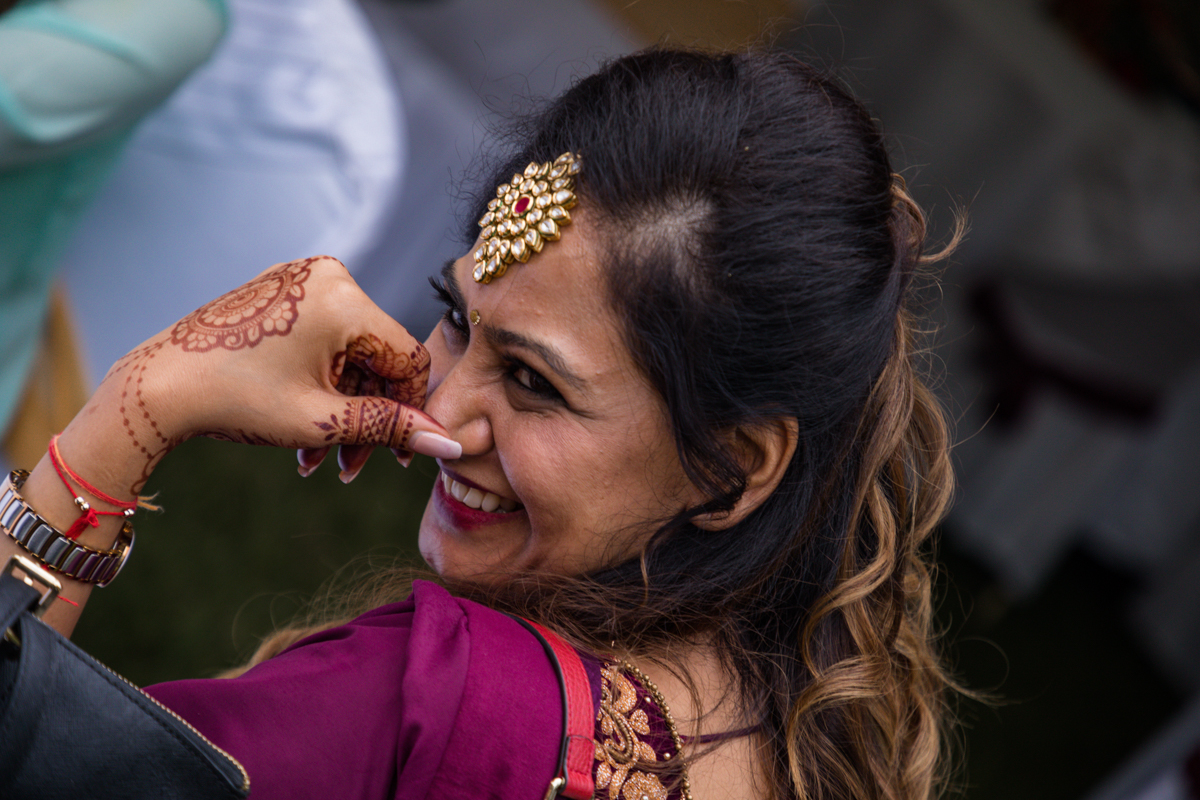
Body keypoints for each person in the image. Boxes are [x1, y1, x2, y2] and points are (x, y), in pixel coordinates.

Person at [0, 49, 960, 800]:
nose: (444, 415)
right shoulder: (779, 735)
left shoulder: (433, 708)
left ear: (731, 469)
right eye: (456, 316)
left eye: (534, 383)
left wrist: (137, 409)